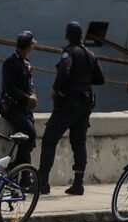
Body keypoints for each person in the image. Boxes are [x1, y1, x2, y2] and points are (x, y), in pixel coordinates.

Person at [38, 21, 105, 196]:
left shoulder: (68, 53)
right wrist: (84, 80)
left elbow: (64, 72)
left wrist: (57, 89)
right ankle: (78, 184)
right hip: (86, 103)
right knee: (78, 142)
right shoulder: (91, 54)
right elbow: (100, 79)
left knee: (50, 139)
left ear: (67, 36)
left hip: (69, 103)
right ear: (81, 36)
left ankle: (42, 183)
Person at [0, 30, 38, 171]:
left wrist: (32, 96)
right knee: (30, 134)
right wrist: (26, 98)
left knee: (28, 141)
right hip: (12, 107)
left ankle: (25, 179)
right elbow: (8, 87)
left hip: (24, 108)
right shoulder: (11, 62)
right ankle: (14, 168)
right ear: (28, 47)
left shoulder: (26, 63)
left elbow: (30, 84)